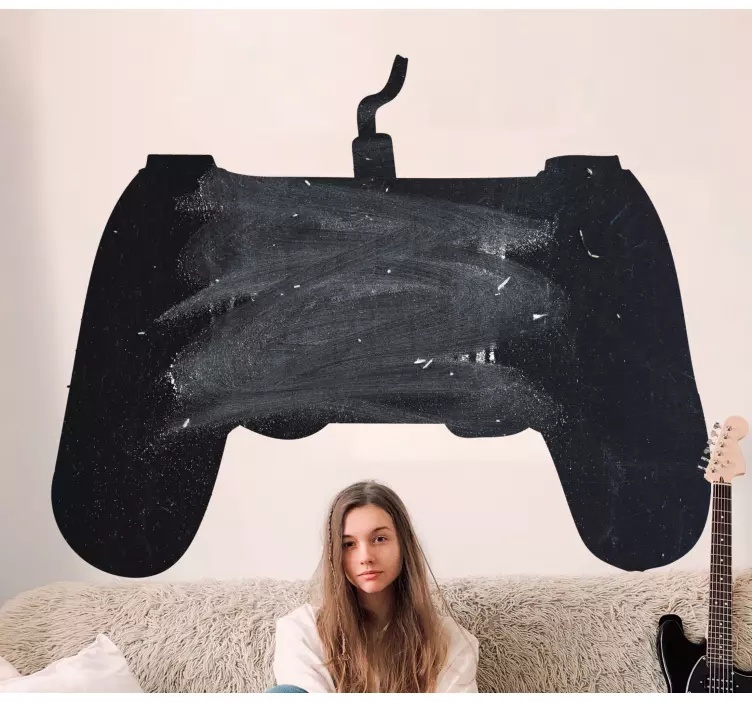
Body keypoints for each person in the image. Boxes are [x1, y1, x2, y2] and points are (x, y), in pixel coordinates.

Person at [267, 480, 479, 693]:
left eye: (379, 539)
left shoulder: (450, 641)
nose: (365, 557)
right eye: (348, 544)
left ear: (403, 544)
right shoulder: (303, 630)